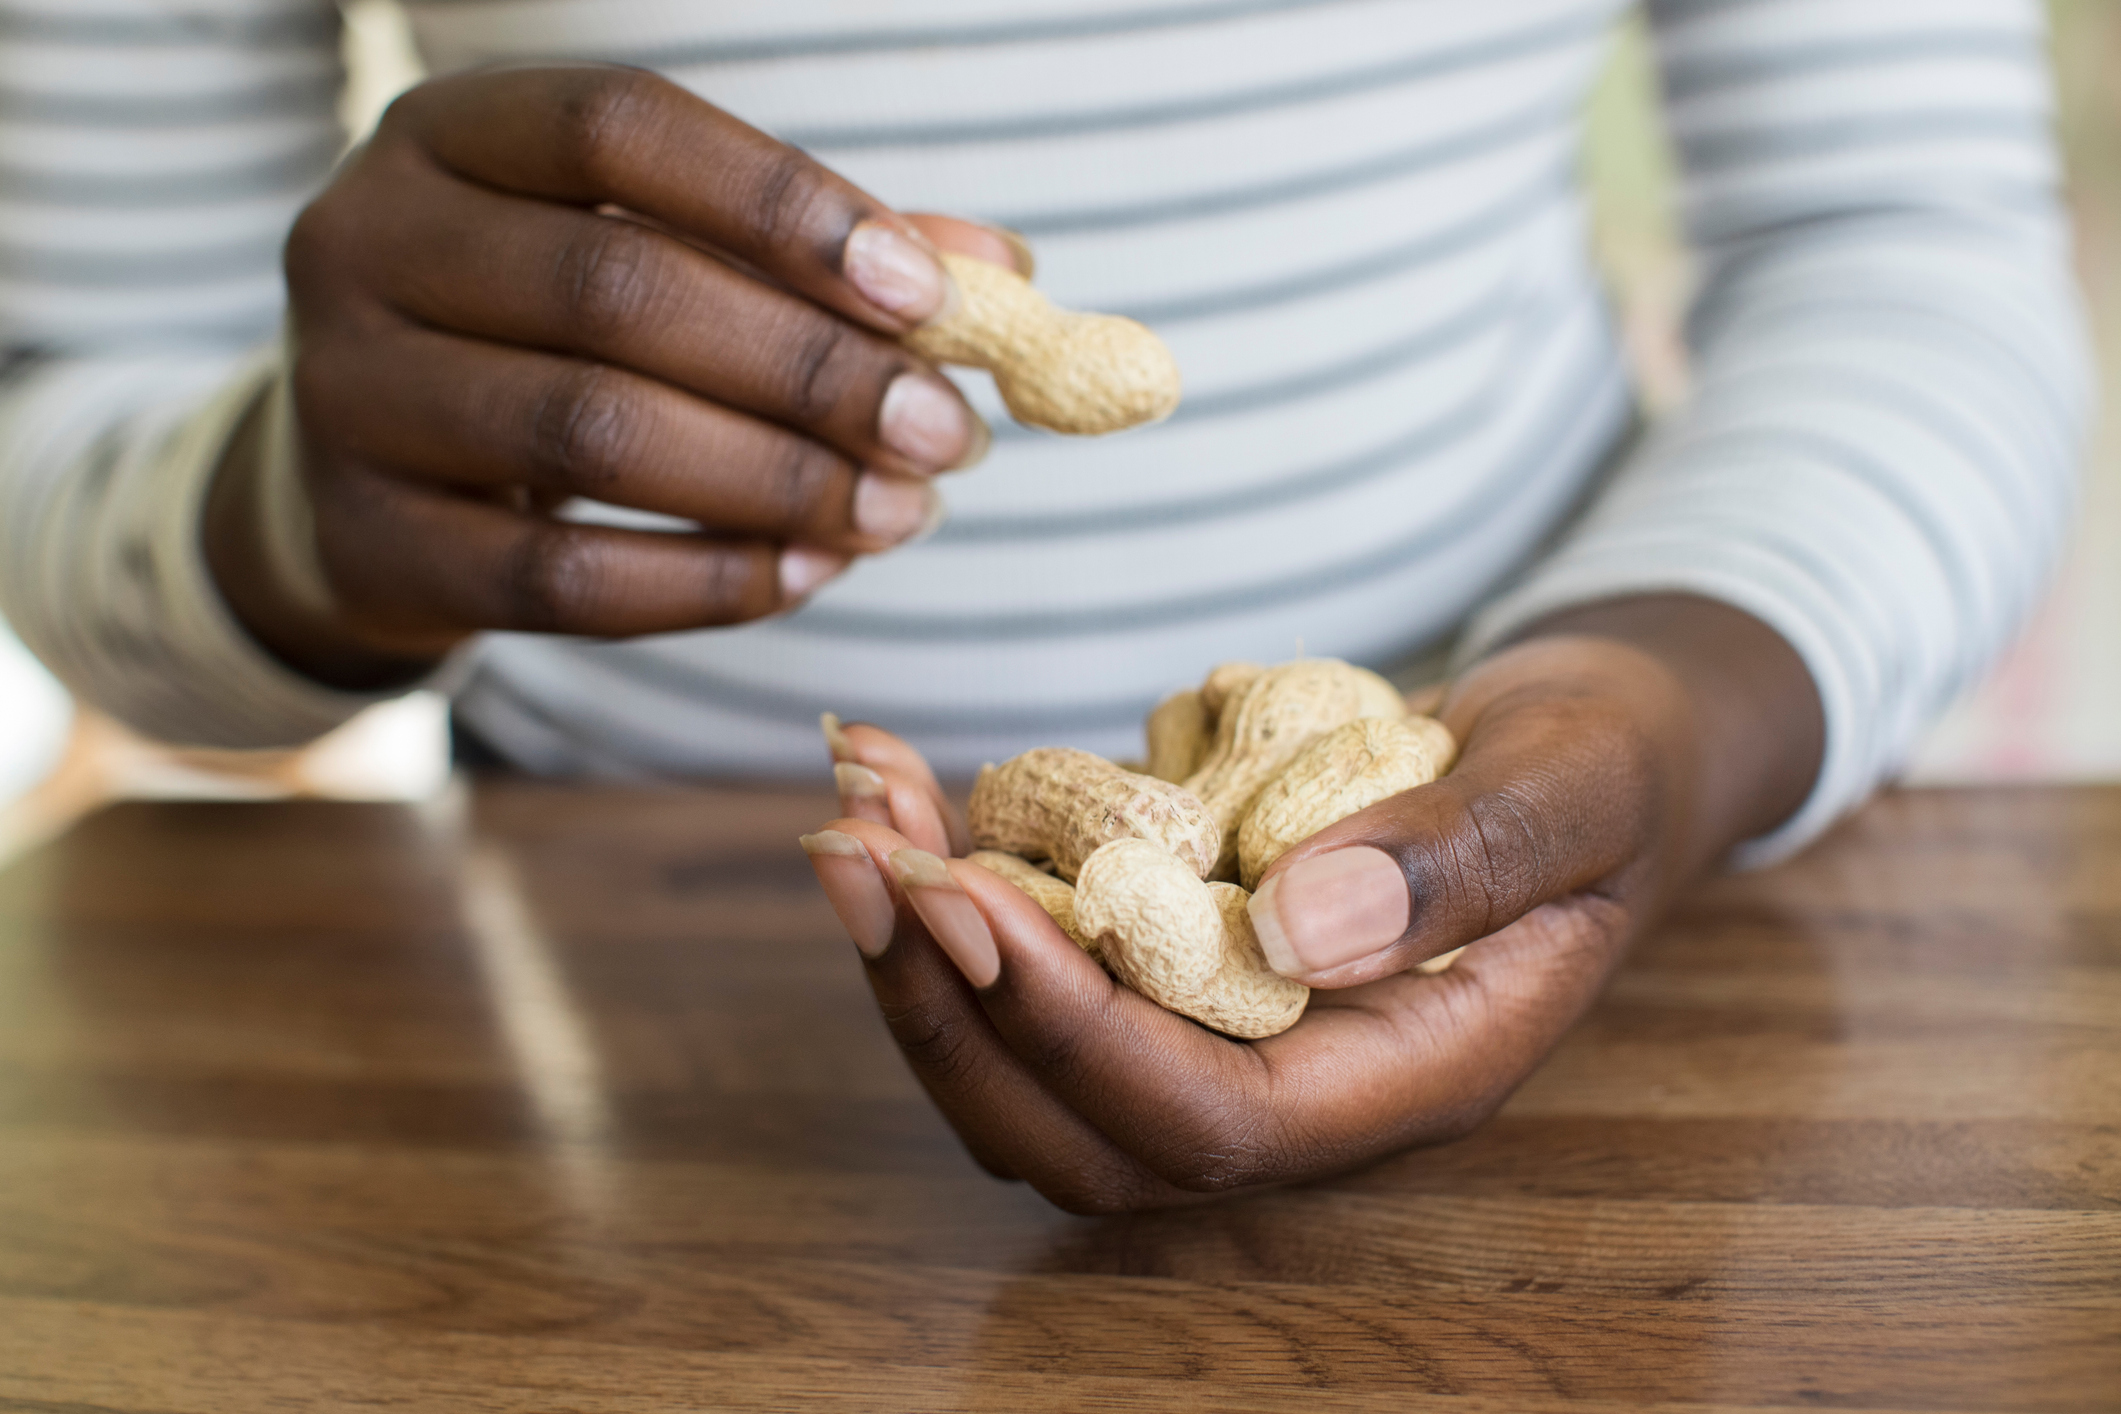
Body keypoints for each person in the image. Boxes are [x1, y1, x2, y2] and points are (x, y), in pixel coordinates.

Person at [0, 0, 2088, 1208]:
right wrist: (287, 502)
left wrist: (1671, 693)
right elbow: (76, 412)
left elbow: (1894, 229)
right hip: (594, 1051)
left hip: (1591, 926)